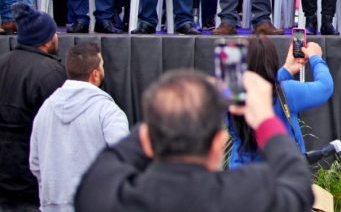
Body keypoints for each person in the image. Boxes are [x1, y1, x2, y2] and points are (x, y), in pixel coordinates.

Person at [74, 69, 314, 212]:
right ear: (219, 143)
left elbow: (112, 159)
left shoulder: (108, 198)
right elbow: (298, 182)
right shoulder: (247, 195)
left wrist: (172, 109)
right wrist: (264, 117)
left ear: (147, 138)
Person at [30, 42, 129, 212]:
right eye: (102, 66)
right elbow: (124, 160)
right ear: (95, 74)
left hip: (53, 205)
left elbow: (35, 163)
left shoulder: (46, 109)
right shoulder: (108, 111)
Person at [227, 36, 333, 166]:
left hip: (241, 174)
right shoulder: (287, 91)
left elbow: (259, 84)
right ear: (273, 61)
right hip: (280, 175)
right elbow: (325, 87)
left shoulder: (231, 95)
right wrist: (316, 58)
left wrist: (287, 70)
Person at [0, 3, 66, 209]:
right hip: (30, 173)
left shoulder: (2, 62)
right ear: (46, 40)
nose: (57, 36)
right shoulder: (51, 73)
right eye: (54, 32)